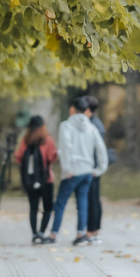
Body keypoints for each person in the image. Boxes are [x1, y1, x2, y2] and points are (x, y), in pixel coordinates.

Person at [45, 95, 108, 246]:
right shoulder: (92, 128)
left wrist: (67, 169)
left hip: (72, 171)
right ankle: (81, 234)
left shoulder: (66, 126)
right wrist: (99, 169)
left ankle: (53, 235)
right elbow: (101, 150)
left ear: (73, 109)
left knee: (60, 203)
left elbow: (66, 148)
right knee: (82, 204)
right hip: (87, 171)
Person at [15, 116, 58, 244]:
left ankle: (34, 233)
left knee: (33, 207)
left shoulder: (25, 140)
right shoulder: (48, 140)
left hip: (30, 180)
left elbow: (18, 157)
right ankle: (41, 232)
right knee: (47, 208)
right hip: (47, 179)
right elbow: (52, 157)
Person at [85, 95, 106, 244]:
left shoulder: (94, 125)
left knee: (92, 199)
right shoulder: (93, 123)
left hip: (93, 168)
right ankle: (93, 230)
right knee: (93, 199)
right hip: (92, 167)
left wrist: (96, 169)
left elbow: (98, 150)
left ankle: (93, 231)